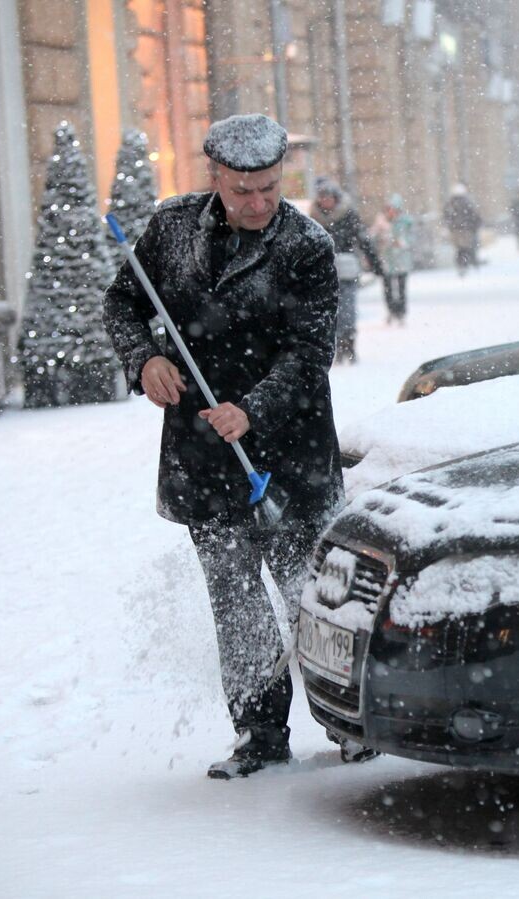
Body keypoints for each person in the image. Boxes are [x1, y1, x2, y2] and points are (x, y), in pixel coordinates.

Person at [102, 114, 359, 779]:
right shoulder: (172, 230)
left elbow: (310, 354)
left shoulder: (306, 246)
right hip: (203, 458)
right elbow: (123, 303)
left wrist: (253, 410)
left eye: (270, 187)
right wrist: (145, 360)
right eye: (244, 190)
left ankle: (350, 724)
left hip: (292, 458)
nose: (258, 202)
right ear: (215, 176)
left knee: (313, 600)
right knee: (237, 604)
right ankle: (260, 735)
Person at [310, 180, 383, 363]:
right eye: (322, 198)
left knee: (348, 309)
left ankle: (348, 344)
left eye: (328, 197)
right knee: (330, 312)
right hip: (324, 273)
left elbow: (363, 240)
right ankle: (337, 345)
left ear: (336, 198)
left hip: (347, 269)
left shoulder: (348, 216)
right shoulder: (313, 219)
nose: (326, 201)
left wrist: (375, 263)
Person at [371, 194, 413, 323]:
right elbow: (371, 238)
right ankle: (391, 310)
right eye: (389, 208)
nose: (391, 212)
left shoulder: (406, 222)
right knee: (388, 288)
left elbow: (412, 238)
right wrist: (381, 239)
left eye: (394, 209)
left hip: (402, 260)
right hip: (386, 260)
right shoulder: (381, 222)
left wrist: (402, 242)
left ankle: (401, 312)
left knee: (401, 288)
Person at [442, 183, 481, 276]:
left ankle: (461, 264)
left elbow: (446, 216)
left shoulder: (450, 203)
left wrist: (450, 226)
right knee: (466, 248)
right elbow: (475, 216)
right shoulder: (467, 202)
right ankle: (466, 263)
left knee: (459, 249)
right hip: (466, 229)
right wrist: (474, 226)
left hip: (456, 230)